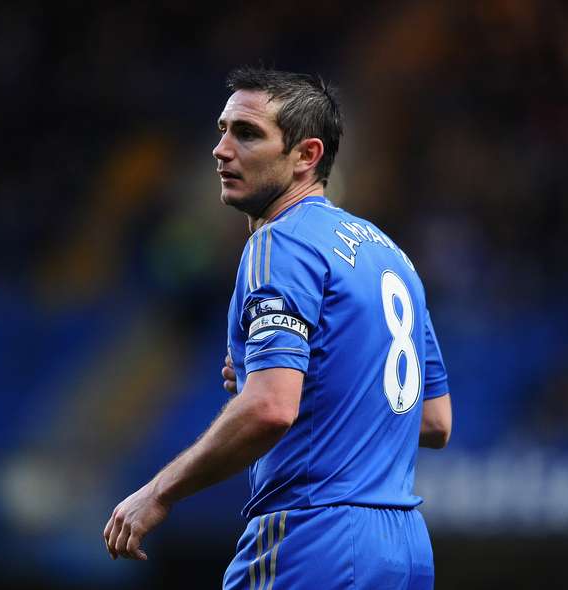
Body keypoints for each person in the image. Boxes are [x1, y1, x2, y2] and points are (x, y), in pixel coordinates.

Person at [103, 67, 452, 589]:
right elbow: (433, 421)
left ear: (306, 156)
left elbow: (270, 408)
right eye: (222, 130)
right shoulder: (391, 255)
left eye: (246, 133)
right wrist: (306, 377)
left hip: (314, 536)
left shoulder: (280, 243)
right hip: (403, 550)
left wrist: (158, 492)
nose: (221, 149)